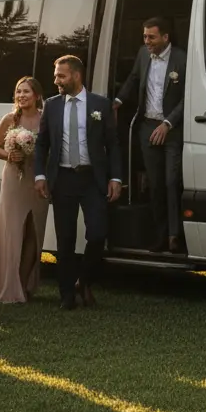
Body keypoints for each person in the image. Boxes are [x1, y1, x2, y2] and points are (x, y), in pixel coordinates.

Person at [34, 56, 122, 310]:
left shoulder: (100, 105)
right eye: (56, 75)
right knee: (65, 239)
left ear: (76, 76)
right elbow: (42, 144)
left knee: (97, 234)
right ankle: (66, 296)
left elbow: (113, 144)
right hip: (62, 179)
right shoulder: (51, 105)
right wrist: (40, 175)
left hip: (92, 179)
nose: (56, 81)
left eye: (61, 76)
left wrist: (115, 177)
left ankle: (83, 281)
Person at [114, 17, 187, 253]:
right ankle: (160, 235)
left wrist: (168, 123)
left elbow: (190, 96)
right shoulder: (143, 54)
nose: (147, 42)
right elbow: (134, 78)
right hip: (147, 127)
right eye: (145, 37)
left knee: (171, 182)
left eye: (151, 37)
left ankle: (175, 236)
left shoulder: (181, 58)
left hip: (171, 130)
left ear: (165, 37)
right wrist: (117, 101)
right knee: (155, 186)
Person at [0, 77, 47, 304]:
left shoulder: (45, 119)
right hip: (13, 178)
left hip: (37, 177)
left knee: (33, 230)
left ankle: (21, 284)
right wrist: (10, 155)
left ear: (37, 95)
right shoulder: (9, 119)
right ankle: (6, 285)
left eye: (26, 92)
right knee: (12, 230)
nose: (21, 95)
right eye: (18, 91)